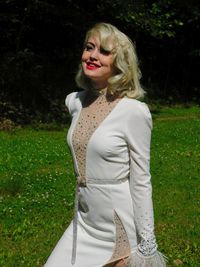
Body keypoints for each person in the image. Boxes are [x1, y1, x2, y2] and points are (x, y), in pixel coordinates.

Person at [44, 22, 167, 267]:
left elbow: (141, 179)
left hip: (117, 228)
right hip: (83, 221)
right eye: (89, 48)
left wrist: (147, 244)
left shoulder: (133, 111)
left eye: (104, 51)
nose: (92, 56)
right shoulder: (74, 102)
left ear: (119, 61)